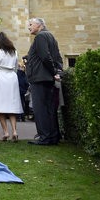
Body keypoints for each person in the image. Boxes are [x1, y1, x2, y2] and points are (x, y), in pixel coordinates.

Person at [26, 17, 62, 145]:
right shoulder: (50, 36)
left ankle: (45, 137)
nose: (29, 27)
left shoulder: (40, 37)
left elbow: (45, 57)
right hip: (46, 79)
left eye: (31, 24)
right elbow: (57, 57)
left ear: (39, 25)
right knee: (49, 109)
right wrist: (58, 71)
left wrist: (54, 72)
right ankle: (52, 136)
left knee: (40, 109)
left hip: (40, 78)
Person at [0, 32, 22, 141]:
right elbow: (16, 67)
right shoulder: (14, 52)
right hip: (12, 77)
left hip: (0, 77)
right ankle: (14, 131)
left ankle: (6, 132)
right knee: (12, 105)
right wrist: (13, 75)